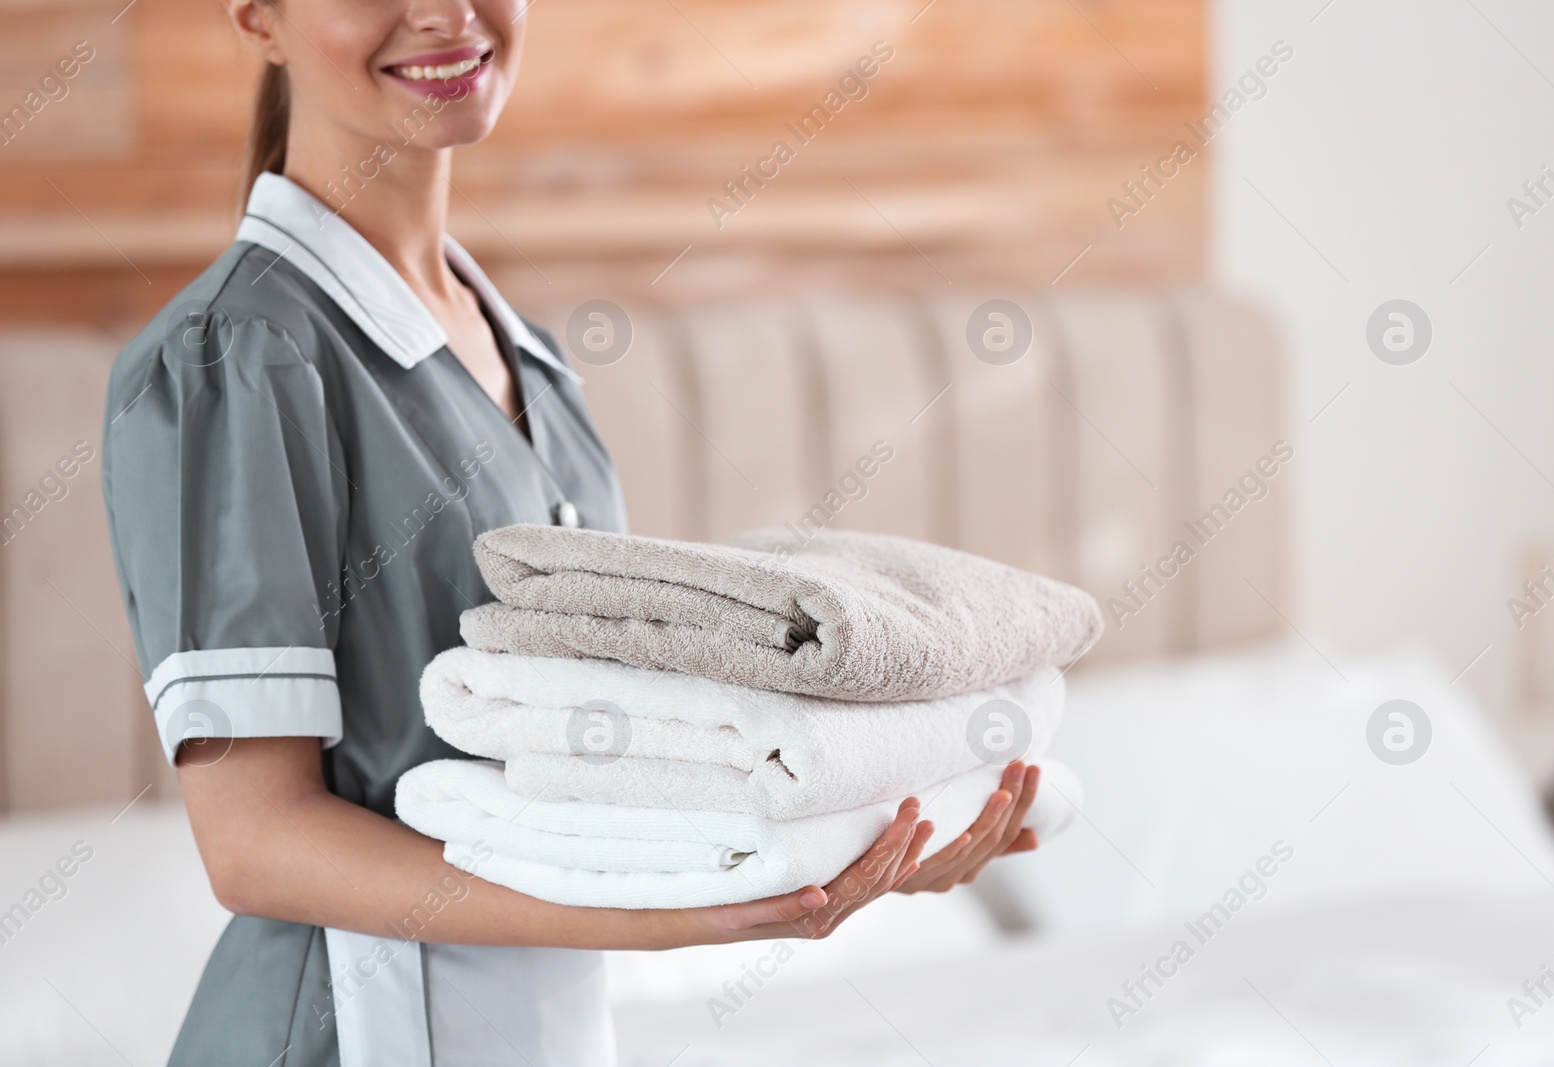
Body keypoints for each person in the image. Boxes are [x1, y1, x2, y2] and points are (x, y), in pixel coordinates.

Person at [100, 2, 1044, 1063]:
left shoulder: (526, 359)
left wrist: (859, 824)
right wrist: (669, 914)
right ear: (257, 17)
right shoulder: (233, 360)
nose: (444, 13)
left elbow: (602, 763)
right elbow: (256, 841)